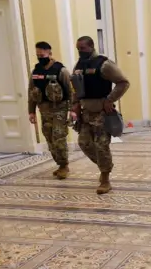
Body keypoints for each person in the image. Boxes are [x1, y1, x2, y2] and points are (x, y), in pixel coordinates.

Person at [71, 36, 129, 194]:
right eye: (78, 49)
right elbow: (76, 88)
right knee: (84, 143)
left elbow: (123, 82)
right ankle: (106, 166)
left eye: (82, 48)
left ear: (91, 46)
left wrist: (110, 99)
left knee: (101, 146)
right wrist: (74, 105)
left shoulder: (104, 64)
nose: (80, 52)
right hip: (86, 113)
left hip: (102, 114)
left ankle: (105, 178)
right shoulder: (79, 65)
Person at [28, 42, 72, 179]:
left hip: (59, 109)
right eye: (38, 55)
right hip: (44, 110)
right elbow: (31, 92)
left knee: (58, 137)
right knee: (49, 138)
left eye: (42, 54)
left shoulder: (61, 70)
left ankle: (64, 165)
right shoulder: (35, 72)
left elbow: (70, 92)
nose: (40, 57)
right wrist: (31, 111)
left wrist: (73, 110)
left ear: (50, 53)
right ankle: (59, 164)